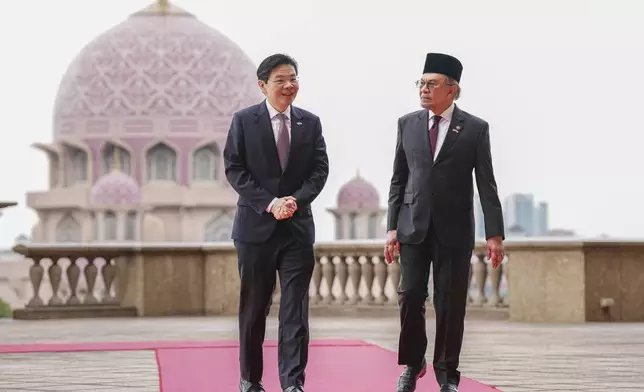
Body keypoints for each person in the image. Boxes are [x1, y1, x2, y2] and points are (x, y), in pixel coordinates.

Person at [384, 53, 505, 392]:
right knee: (409, 296)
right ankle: (412, 363)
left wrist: (494, 234)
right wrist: (392, 227)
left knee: (450, 303)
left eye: (431, 84)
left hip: (454, 230)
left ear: (452, 90)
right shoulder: (407, 123)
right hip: (412, 226)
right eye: (421, 83)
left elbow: (487, 182)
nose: (424, 89)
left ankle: (447, 375)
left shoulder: (475, 129)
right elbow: (398, 179)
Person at [223, 53, 329, 392]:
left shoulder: (310, 123)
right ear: (262, 85)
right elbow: (234, 169)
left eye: (293, 78)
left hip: (297, 230)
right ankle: (250, 380)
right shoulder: (244, 121)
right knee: (254, 310)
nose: (289, 85)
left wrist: (295, 201)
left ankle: (292, 383)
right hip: (255, 230)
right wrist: (270, 204)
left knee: (295, 312)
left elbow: (319, 171)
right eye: (281, 80)